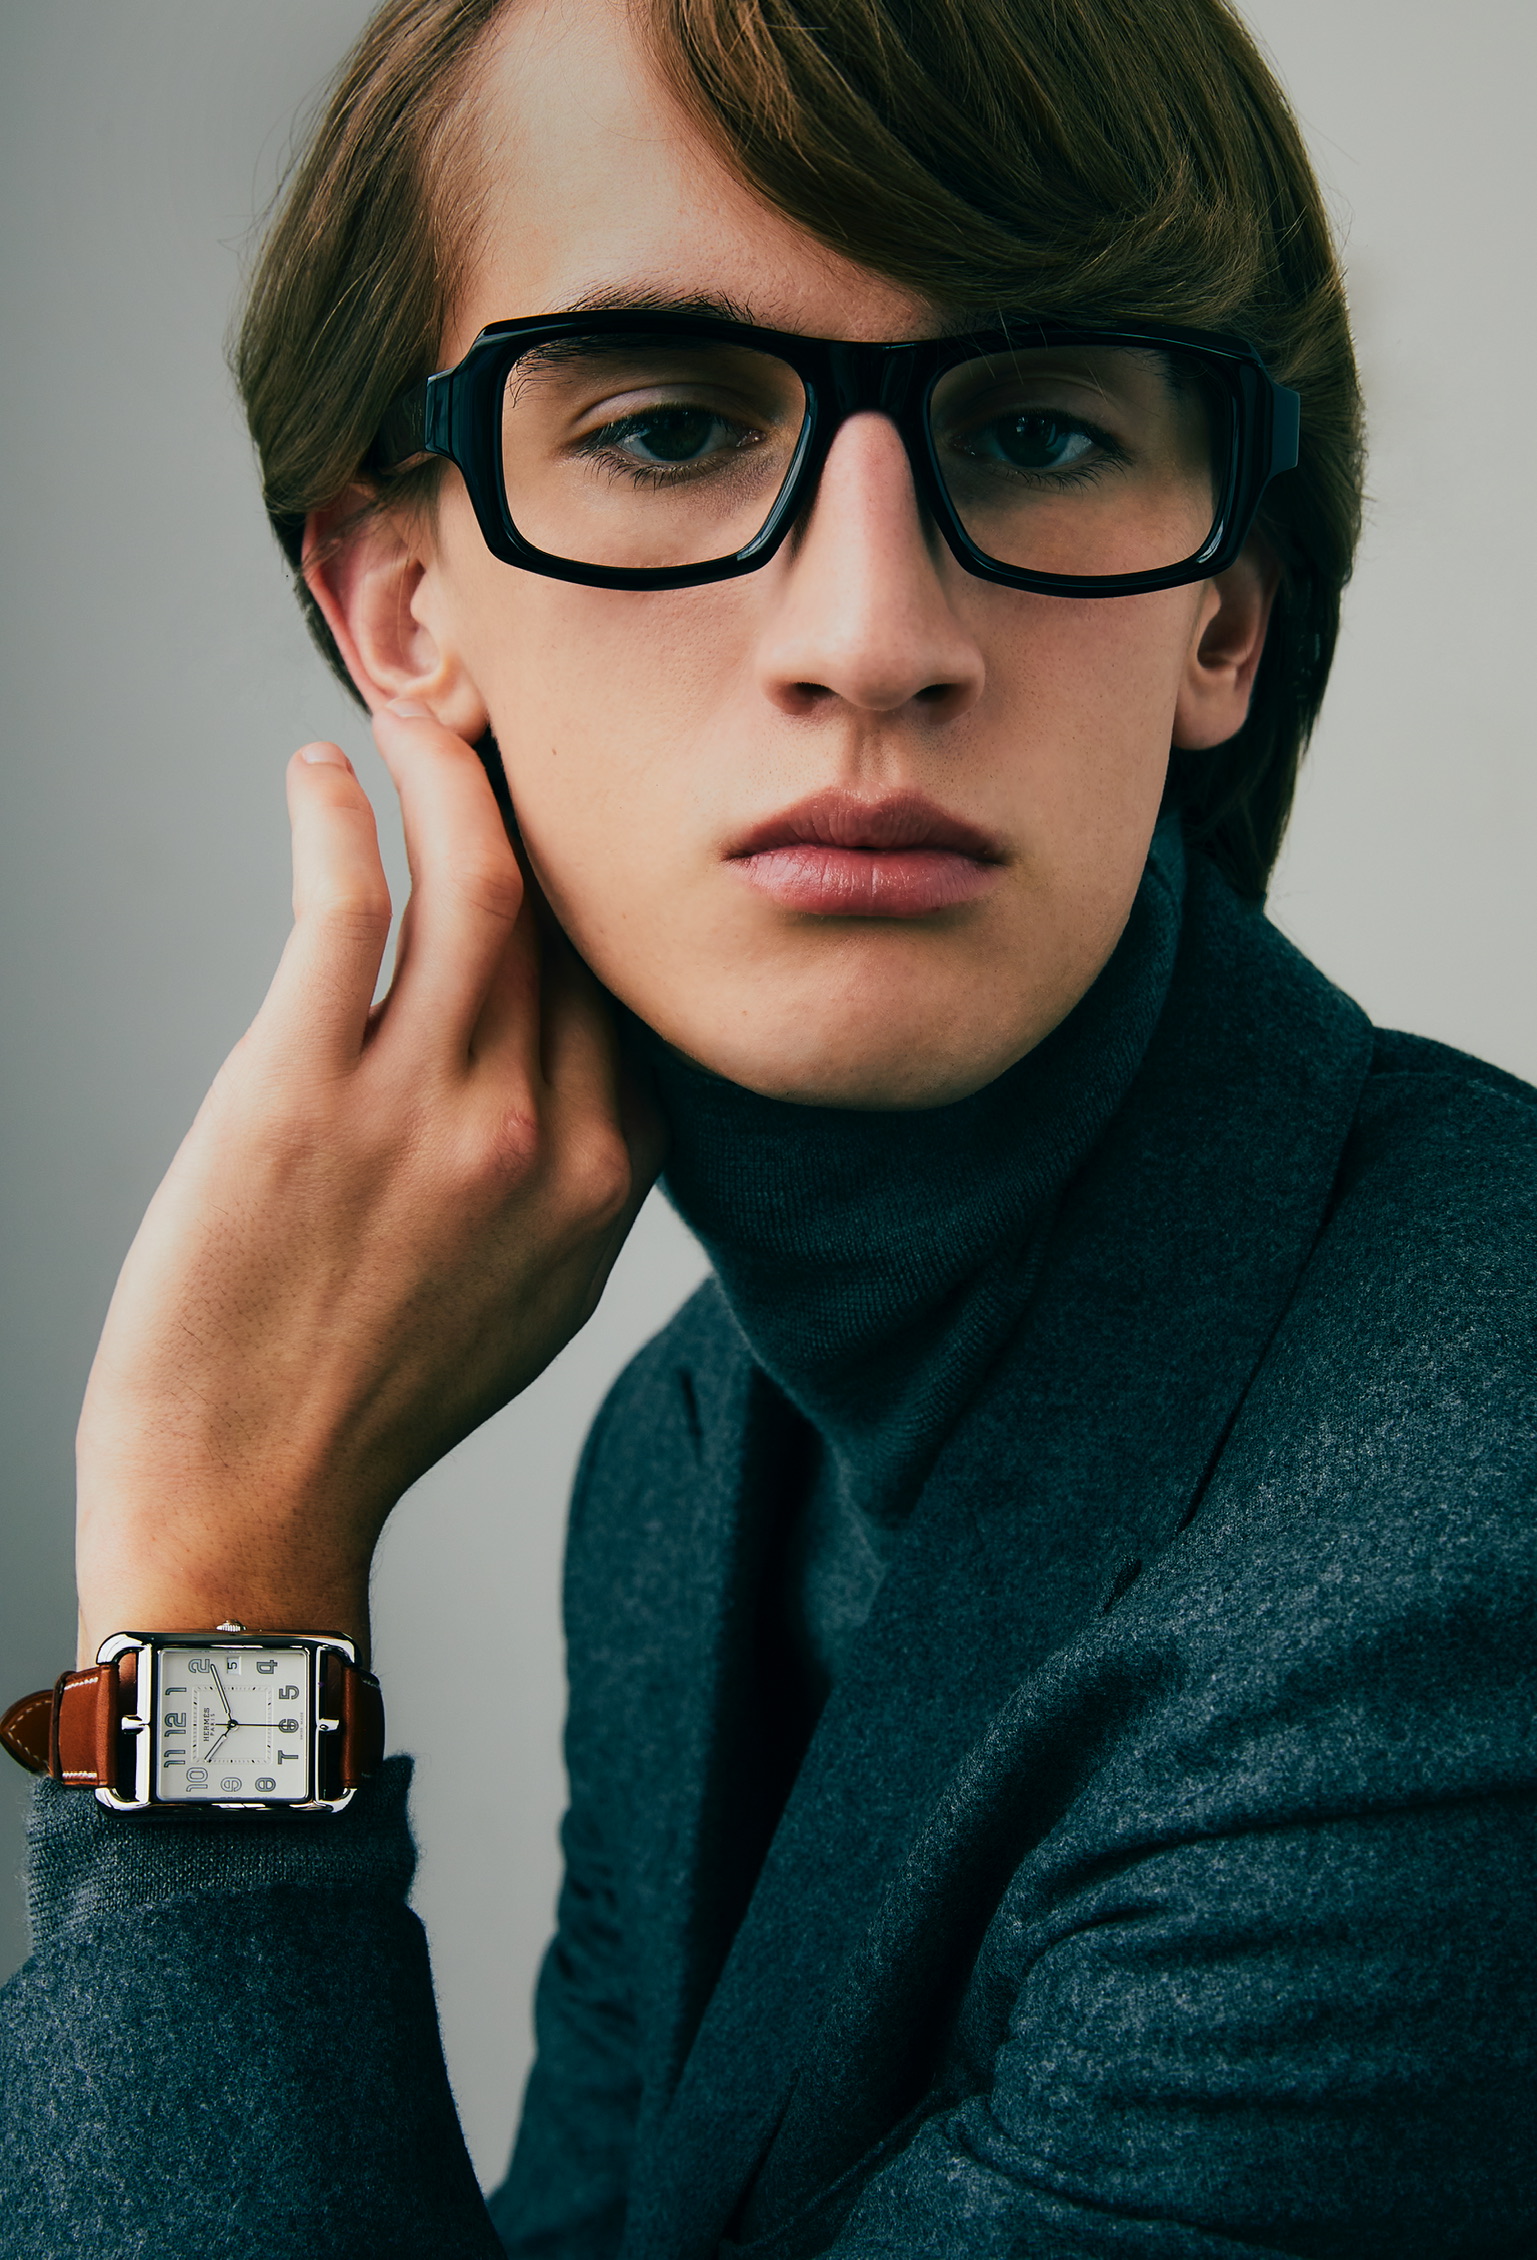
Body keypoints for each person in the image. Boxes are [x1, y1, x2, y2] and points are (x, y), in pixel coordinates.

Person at [1, 0, 1533, 2252]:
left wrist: (219, 1569)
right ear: (401, 603)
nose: (872, 633)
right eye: (667, 426)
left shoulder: (1458, 1559)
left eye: (1038, 428)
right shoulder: (692, 1451)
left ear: (1226, 607)